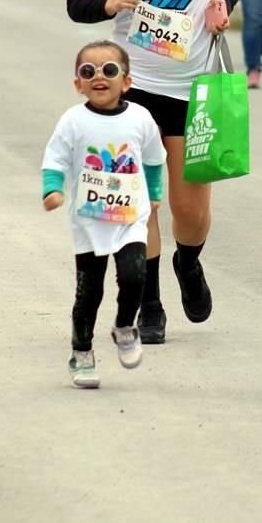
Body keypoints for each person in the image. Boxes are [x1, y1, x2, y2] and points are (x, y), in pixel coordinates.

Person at [66, 0, 242, 345]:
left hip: (195, 87)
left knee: (192, 210)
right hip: (133, 89)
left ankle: (189, 263)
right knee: (140, 203)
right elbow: (77, 3)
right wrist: (110, 3)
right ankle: (150, 302)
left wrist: (220, 7)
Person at [42, 40, 166, 388]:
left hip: (130, 216)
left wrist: (154, 194)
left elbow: (156, 159)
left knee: (134, 276)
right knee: (89, 291)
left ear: (126, 81)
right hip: (89, 218)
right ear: (77, 83)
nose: (99, 77)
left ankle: (125, 326)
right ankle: (81, 351)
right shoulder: (73, 121)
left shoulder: (140, 118)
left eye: (109, 70)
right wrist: (52, 190)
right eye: (88, 71)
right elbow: (55, 160)